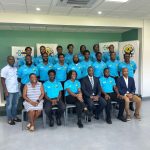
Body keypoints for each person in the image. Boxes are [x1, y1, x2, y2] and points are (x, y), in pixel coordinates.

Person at [1, 56, 21, 125]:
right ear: (7, 60)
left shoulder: (15, 68)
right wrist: (5, 91)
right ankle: (10, 119)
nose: (12, 60)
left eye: (13, 59)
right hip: (9, 91)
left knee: (15, 105)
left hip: (16, 90)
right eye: (10, 59)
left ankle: (14, 117)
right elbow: (2, 80)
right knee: (9, 105)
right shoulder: (4, 69)